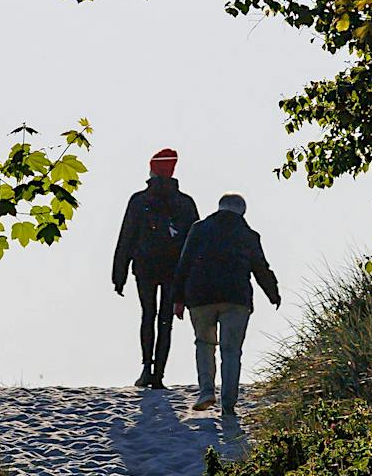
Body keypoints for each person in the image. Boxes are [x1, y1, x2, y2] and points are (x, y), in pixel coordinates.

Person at [172, 191, 280, 414]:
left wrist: (178, 298)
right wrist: (273, 293)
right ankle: (228, 403)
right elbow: (260, 267)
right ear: (242, 211)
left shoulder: (199, 229)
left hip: (201, 297)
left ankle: (206, 391)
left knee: (204, 344)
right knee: (231, 351)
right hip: (236, 299)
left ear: (219, 207)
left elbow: (184, 263)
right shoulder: (249, 235)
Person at [111, 148, 198, 388]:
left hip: (145, 268)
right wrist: (193, 278)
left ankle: (147, 367)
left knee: (147, 315)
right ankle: (159, 373)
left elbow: (126, 238)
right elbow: (194, 243)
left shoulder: (139, 201)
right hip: (174, 270)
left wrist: (119, 274)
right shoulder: (185, 203)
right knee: (165, 320)